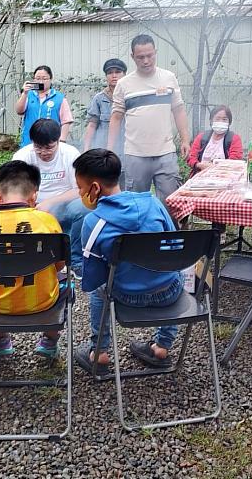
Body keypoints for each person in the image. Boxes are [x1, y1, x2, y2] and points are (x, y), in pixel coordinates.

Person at [72, 149, 184, 376]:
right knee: (176, 272)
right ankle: (162, 347)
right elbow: (176, 251)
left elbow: (92, 279)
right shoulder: (154, 204)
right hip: (169, 293)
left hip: (126, 297)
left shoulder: (94, 221)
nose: (80, 193)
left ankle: (100, 352)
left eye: (80, 188)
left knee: (98, 292)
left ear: (94, 188)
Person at [0, 160, 64, 359]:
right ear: (34, 196)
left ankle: (1, 341)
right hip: (42, 304)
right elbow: (59, 265)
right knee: (66, 285)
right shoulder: (47, 221)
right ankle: (48, 342)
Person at [108, 34, 191, 203]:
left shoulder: (169, 78)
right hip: (135, 155)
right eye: (140, 57)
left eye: (149, 55)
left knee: (170, 203)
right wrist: (109, 150)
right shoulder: (124, 84)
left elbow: (179, 110)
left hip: (165, 153)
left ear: (155, 52)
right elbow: (116, 118)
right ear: (132, 57)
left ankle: (171, 230)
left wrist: (185, 139)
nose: (146, 61)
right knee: (137, 204)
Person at [13, 118, 87, 274]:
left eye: (49, 147)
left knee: (83, 208)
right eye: (38, 147)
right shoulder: (23, 156)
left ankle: (75, 261)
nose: (43, 152)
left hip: (63, 205)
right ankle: (15, 255)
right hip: (31, 206)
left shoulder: (71, 154)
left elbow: (79, 190)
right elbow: (13, 190)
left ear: (58, 140)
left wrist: (50, 202)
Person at [14, 65, 74, 147]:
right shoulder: (29, 95)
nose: (41, 81)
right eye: (38, 78)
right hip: (29, 142)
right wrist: (24, 93)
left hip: (50, 143)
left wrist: (62, 140)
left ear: (51, 79)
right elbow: (19, 111)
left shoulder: (59, 98)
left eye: (44, 78)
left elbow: (66, 121)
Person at [83, 58, 127, 153]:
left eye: (118, 72)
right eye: (110, 72)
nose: (114, 76)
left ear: (125, 74)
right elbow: (92, 125)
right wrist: (86, 149)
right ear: (106, 76)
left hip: (127, 150)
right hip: (103, 149)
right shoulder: (99, 98)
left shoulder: (130, 97)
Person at [186, 104, 243, 176]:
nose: (221, 122)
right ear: (211, 121)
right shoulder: (201, 137)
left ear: (229, 122)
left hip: (224, 177)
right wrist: (199, 165)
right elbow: (191, 157)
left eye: (224, 119)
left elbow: (234, 160)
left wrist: (215, 167)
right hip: (200, 177)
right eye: (217, 119)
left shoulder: (234, 139)